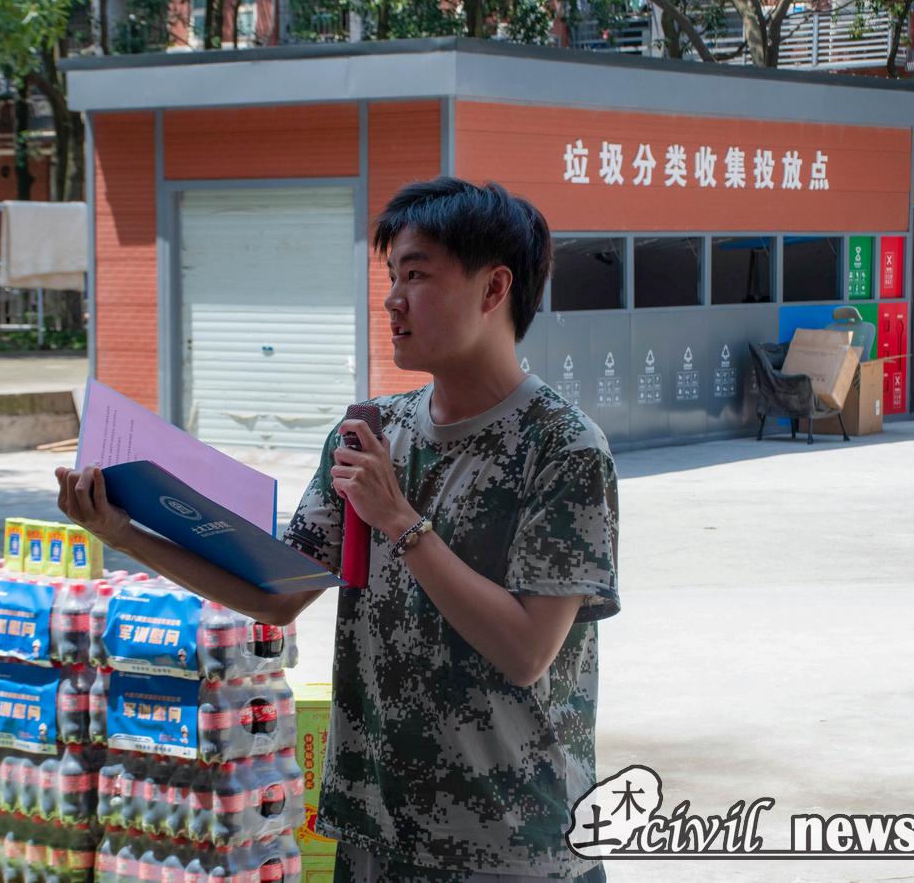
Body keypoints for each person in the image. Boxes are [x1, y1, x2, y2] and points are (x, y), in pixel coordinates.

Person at [56, 176, 620, 882]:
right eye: (391, 277)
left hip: (513, 845)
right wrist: (124, 534)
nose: (393, 299)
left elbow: (528, 651)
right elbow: (276, 596)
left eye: (416, 275)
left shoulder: (563, 448)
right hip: (374, 832)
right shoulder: (369, 434)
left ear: (494, 288)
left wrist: (400, 522)